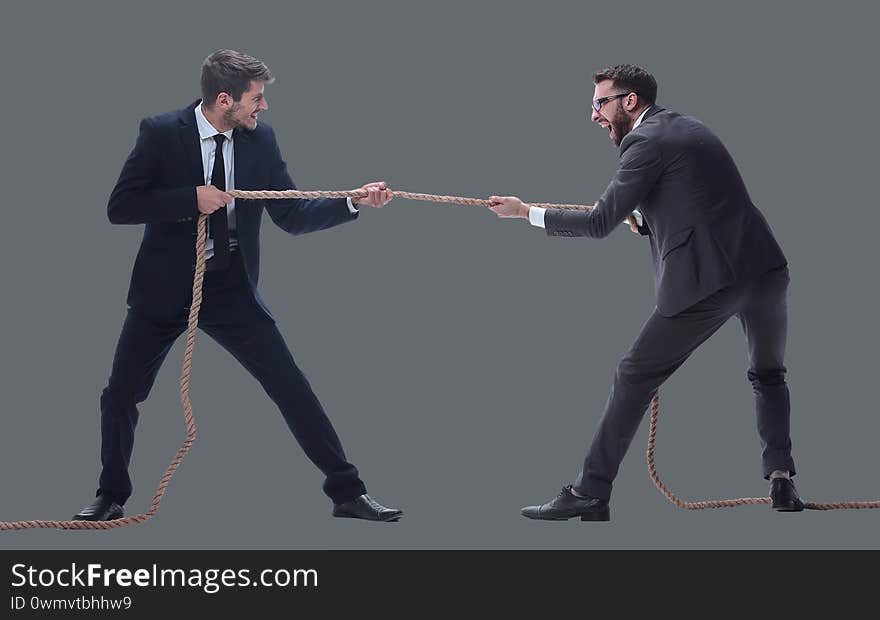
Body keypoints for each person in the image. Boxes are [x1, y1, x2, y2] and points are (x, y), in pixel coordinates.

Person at [73, 49, 402, 523]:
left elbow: (291, 215)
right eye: (257, 98)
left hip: (229, 290)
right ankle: (111, 495)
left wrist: (351, 203)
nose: (263, 107)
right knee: (121, 394)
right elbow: (120, 207)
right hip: (163, 292)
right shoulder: (161, 133)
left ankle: (347, 493)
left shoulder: (259, 141)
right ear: (224, 99)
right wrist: (191, 198)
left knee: (291, 386)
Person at [487, 64, 802, 522]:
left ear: (628, 101)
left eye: (600, 103)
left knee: (633, 376)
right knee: (769, 374)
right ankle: (782, 481)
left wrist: (525, 213)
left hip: (707, 284)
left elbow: (597, 225)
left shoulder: (643, 142)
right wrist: (643, 218)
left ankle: (590, 492)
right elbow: (696, 200)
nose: (594, 115)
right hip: (766, 271)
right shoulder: (688, 126)